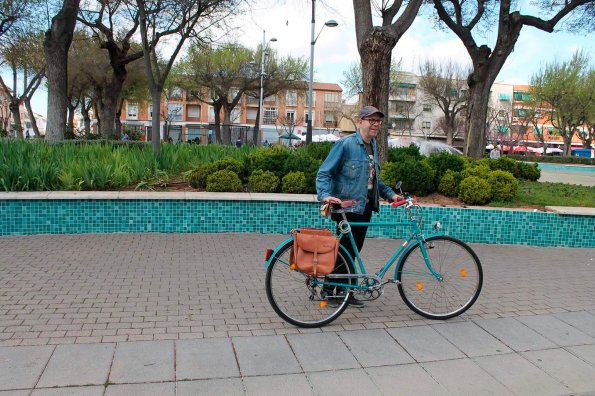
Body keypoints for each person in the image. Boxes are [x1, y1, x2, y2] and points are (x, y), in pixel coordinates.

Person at [316, 105, 398, 306]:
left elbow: (372, 180)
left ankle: (345, 291)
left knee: (353, 250)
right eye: (372, 120)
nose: (376, 124)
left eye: (378, 121)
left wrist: (390, 194)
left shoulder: (373, 146)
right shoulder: (345, 145)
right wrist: (326, 196)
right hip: (346, 207)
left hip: (365, 207)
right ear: (360, 122)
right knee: (344, 250)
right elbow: (324, 173)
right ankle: (329, 290)